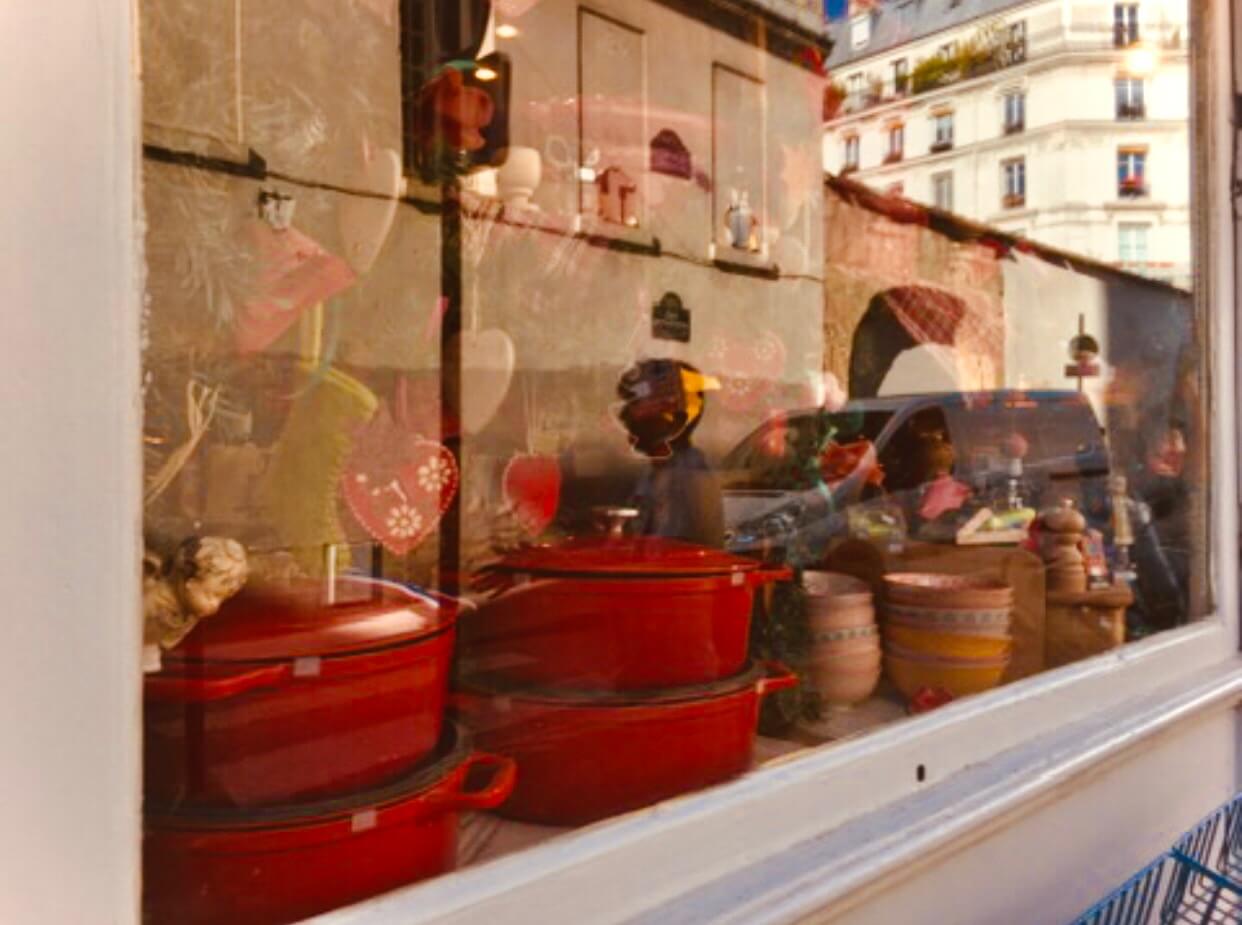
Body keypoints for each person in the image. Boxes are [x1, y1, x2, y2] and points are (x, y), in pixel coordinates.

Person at [617, 359, 724, 548]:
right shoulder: (654, 471)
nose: (626, 417)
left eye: (637, 404)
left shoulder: (690, 476)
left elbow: (679, 556)